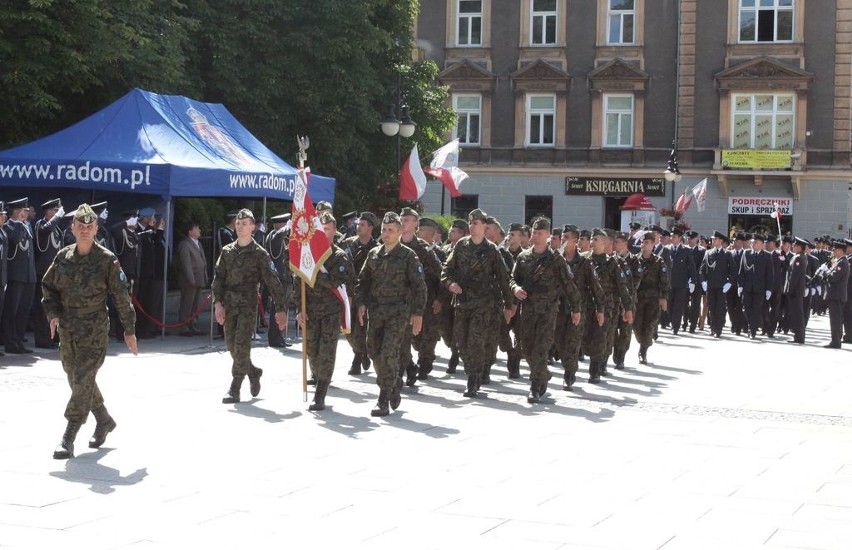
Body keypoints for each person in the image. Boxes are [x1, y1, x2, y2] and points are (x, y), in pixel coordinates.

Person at [41, 204, 138, 459]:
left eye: (89, 227)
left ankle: (69, 436)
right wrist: (53, 315)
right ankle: (104, 420)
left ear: (96, 229)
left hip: (94, 328)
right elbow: (48, 288)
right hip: (69, 329)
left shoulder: (107, 259)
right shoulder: (63, 257)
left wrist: (129, 330)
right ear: (72, 228)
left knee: (83, 377)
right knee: (76, 379)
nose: (84, 231)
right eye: (80, 227)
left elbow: (121, 297)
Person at [212, 209, 289, 404]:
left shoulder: (259, 254)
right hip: (229, 304)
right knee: (231, 345)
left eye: (245, 223)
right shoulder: (227, 251)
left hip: (247, 305)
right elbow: (218, 278)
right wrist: (217, 303)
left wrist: (281, 309)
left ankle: (235, 387)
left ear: (253, 227)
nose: (240, 226)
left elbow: (273, 281)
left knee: (241, 345)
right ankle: (253, 372)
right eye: (238, 223)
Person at [355, 212, 426, 417]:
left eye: (391, 231)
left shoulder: (408, 256)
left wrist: (418, 314)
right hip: (376, 311)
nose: (386, 234)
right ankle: (393, 382)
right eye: (384, 230)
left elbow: (420, 287)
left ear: (400, 232)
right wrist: (360, 303)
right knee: (373, 350)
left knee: (388, 352)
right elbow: (363, 281)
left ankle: (383, 398)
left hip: (398, 312)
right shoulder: (374, 254)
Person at [442, 209, 514, 399]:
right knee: (461, 342)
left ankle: (473, 379)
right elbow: (446, 270)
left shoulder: (491, 250)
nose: (473, 225)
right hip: (462, 303)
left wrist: (508, 304)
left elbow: (503, 278)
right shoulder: (460, 247)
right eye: (471, 222)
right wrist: (451, 284)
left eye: (477, 223)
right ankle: (473, 370)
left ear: (484, 226)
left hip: (483, 304)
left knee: (475, 341)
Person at [511, 217, 581, 403]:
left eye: (540, 232)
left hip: (548, 311)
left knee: (541, 348)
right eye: (534, 232)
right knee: (526, 348)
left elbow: (569, 284)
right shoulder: (523, 257)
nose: (536, 235)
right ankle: (543, 374)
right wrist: (515, 289)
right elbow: (513, 279)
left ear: (548, 235)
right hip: (528, 310)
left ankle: (534, 387)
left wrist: (576, 308)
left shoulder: (555, 260)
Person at [296, 212, 353, 411]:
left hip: (330, 311)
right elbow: (299, 282)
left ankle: (320, 394)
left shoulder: (339, 256)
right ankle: (318, 377)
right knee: (312, 351)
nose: (322, 232)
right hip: (311, 309)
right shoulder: (308, 255)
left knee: (326, 351)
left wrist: (314, 271)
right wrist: (299, 308)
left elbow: (334, 282)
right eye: (320, 228)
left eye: (327, 228)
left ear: (334, 231)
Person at [398, 207, 443, 387]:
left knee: (422, 338)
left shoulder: (424, 249)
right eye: (401, 218)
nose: (403, 221)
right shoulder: (394, 245)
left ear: (415, 224)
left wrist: (440, 298)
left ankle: (423, 363)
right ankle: (408, 367)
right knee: (401, 340)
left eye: (407, 219)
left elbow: (442, 274)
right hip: (399, 303)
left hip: (423, 302)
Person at [556, 225, 604, 389]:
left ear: (575, 241)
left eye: (567, 237)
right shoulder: (555, 259)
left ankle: (569, 374)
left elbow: (595, 286)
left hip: (578, 309)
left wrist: (600, 309)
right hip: (558, 309)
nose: (563, 239)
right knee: (559, 341)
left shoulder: (584, 262)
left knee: (573, 342)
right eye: (562, 236)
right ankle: (567, 365)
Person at [341, 212, 378, 373]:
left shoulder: (376, 248)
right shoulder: (348, 244)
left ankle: (357, 359)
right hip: (348, 292)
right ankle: (362, 353)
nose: (358, 227)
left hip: (367, 294)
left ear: (370, 227)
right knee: (348, 329)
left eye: (362, 225)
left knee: (361, 329)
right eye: (358, 224)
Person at [3, 198, 37, 354]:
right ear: (17, 211)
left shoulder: (25, 227)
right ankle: (9, 341)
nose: (26, 214)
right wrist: (18, 222)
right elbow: (15, 240)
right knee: (12, 310)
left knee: (23, 310)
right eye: (23, 211)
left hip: (28, 276)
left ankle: (18, 340)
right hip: (15, 275)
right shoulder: (9, 227)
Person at [32, 198, 66, 349]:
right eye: (55, 210)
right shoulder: (41, 224)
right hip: (43, 273)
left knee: (54, 307)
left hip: (55, 275)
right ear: (48, 211)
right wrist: (57, 217)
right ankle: (42, 339)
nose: (57, 213)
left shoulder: (57, 229)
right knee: (42, 308)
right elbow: (45, 230)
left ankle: (52, 337)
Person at [633, 232, 670, 364]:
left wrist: (663, 298)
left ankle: (643, 350)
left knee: (649, 325)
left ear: (653, 244)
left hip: (652, 299)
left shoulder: (658, 261)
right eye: (642, 242)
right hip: (637, 298)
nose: (644, 244)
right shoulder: (635, 260)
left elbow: (664, 281)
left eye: (647, 242)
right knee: (637, 326)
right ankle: (642, 343)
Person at [136, 208, 166, 338]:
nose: (153, 220)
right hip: (141, 272)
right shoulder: (139, 232)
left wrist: (158, 231)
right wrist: (158, 230)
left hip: (149, 273)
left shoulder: (148, 232)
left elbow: (155, 242)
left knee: (147, 302)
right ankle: (139, 330)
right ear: (146, 218)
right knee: (140, 302)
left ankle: (144, 329)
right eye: (152, 217)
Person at [264, 213, 293, 348]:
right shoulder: (273, 236)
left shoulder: (281, 238)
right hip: (278, 278)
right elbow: (278, 235)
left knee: (283, 308)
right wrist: (287, 227)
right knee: (278, 308)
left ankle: (279, 336)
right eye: (286, 225)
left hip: (285, 277)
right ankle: (274, 338)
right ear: (280, 224)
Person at [700, 231, 736, 338]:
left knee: (719, 308)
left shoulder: (727, 254)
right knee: (711, 307)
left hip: (722, 286)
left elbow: (733, 271)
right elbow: (702, 269)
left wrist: (729, 283)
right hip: (710, 285)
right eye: (712, 239)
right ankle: (713, 328)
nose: (713, 241)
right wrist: (703, 281)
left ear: (721, 241)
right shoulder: (708, 253)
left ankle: (718, 329)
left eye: (715, 239)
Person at [738, 234, 773, 339]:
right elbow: (742, 271)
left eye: (756, 242)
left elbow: (770, 274)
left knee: (756, 309)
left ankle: (752, 330)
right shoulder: (746, 253)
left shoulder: (767, 256)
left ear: (762, 244)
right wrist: (740, 285)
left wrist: (769, 289)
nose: (753, 244)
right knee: (746, 309)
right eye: (752, 242)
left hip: (760, 288)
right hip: (747, 287)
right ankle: (751, 325)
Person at [176, 221, 208, 336]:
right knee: (187, 304)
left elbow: (202, 261)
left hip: (198, 278)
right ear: (190, 231)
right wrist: (191, 279)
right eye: (197, 228)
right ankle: (183, 326)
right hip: (190, 280)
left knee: (196, 304)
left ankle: (193, 324)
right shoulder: (185, 244)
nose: (199, 230)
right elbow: (186, 264)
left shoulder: (198, 243)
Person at [667, 227, 696, 336]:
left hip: (681, 284)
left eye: (674, 236)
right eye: (671, 236)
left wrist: (693, 281)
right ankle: (671, 321)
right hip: (669, 283)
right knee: (669, 305)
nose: (671, 238)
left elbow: (692, 267)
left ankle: (676, 326)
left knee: (678, 306)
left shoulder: (686, 250)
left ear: (679, 238)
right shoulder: (667, 249)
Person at [820, 240, 848, 348]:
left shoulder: (842, 263)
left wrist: (826, 271)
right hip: (835, 295)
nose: (833, 252)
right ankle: (836, 340)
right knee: (835, 319)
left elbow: (834, 278)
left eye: (835, 250)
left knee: (835, 320)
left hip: (837, 296)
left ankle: (836, 342)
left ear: (840, 251)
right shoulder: (839, 261)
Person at [784, 237, 809, 344]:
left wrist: (790, 289)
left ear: (800, 247)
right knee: (796, 314)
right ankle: (798, 336)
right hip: (796, 291)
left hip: (795, 291)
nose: (793, 247)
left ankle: (799, 337)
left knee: (797, 314)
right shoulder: (800, 257)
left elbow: (794, 276)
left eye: (795, 245)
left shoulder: (799, 258)